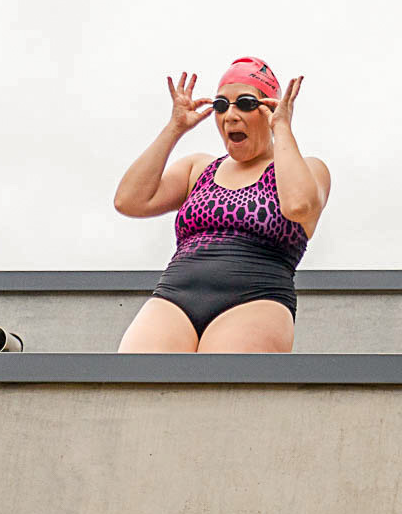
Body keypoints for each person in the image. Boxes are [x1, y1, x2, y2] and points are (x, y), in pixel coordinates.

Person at [114, 57, 331, 352]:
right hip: (175, 296)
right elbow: (129, 200)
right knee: (137, 373)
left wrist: (281, 128)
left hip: (255, 299)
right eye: (221, 105)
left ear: (271, 108)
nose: (230, 115)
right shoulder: (198, 169)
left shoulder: (308, 169)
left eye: (245, 103)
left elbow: (299, 206)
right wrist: (174, 129)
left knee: (221, 379)